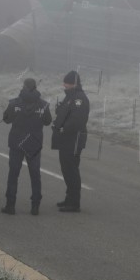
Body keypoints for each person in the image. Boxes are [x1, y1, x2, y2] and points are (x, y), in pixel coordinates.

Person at [2, 78, 52, 216]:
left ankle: (10, 205)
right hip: (33, 143)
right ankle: (35, 206)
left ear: (23, 87)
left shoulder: (14, 103)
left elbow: (6, 119)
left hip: (17, 142)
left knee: (13, 175)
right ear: (35, 87)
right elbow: (48, 122)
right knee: (35, 175)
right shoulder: (44, 105)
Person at [51, 71, 89, 212]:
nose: (64, 85)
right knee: (66, 170)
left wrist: (62, 129)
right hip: (66, 140)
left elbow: (76, 120)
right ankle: (69, 198)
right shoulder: (70, 97)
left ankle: (74, 203)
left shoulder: (79, 99)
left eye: (66, 82)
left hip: (73, 139)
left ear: (73, 83)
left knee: (71, 170)